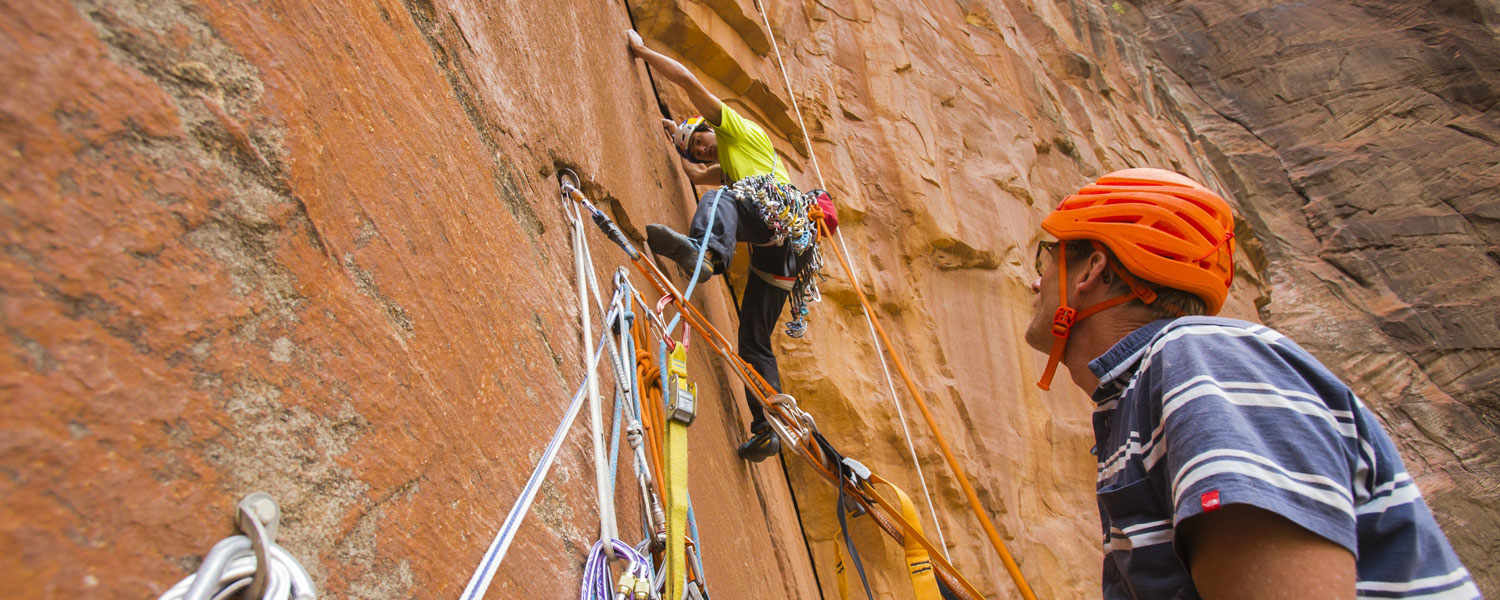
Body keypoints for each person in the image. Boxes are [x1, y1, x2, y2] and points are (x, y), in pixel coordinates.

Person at [1024, 168, 1477, 598]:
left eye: (1046, 257)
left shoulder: (1202, 361)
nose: (1034, 282)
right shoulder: (1148, 392)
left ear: (1091, 270)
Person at [626, 29, 822, 462]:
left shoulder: (738, 132)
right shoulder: (729, 169)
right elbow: (696, 176)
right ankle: (769, 428)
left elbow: (689, 84)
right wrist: (673, 135)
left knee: (722, 201)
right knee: (753, 343)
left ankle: (706, 253)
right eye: (697, 148)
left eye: (700, 139)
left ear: (711, 129)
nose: (701, 147)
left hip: (778, 218)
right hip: (782, 253)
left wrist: (642, 52)